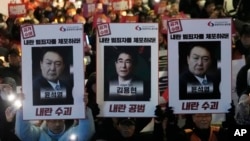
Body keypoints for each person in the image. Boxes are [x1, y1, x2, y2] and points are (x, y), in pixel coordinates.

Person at [5, 92, 95, 141]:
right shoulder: (37, 134)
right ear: (46, 121)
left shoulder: (73, 133)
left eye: (60, 120)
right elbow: (23, 134)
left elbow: (86, 132)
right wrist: (22, 110)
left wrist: (83, 109)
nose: (57, 124)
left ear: (64, 119)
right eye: (52, 121)